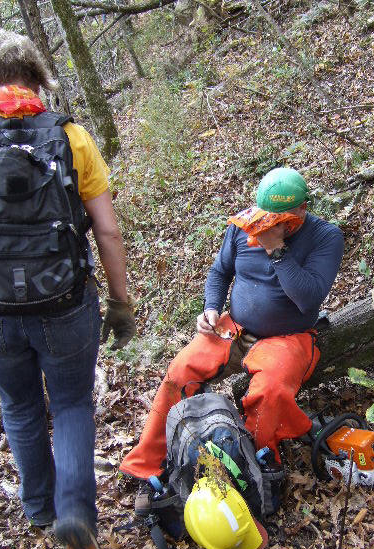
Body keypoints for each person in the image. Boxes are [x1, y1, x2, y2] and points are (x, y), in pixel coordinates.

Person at [121, 166, 343, 514]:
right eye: (265, 217)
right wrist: (211, 308)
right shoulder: (244, 227)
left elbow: (308, 298)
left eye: (280, 220)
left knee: (270, 393)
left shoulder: (325, 237)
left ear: (301, 210)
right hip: (234, 327)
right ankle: (150, 463)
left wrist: (277, 249)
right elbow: (220, 271)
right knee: (180, 371)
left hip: (288, 336)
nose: (268, 225)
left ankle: (256, 469)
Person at [0, 31, 136, 549]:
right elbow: (107, 231)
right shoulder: (71, 138)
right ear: (37, 79)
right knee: (73, 403)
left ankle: (39, 508)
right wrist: (120, 303)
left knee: (19, 405)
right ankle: (75, 510)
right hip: (64, 302)